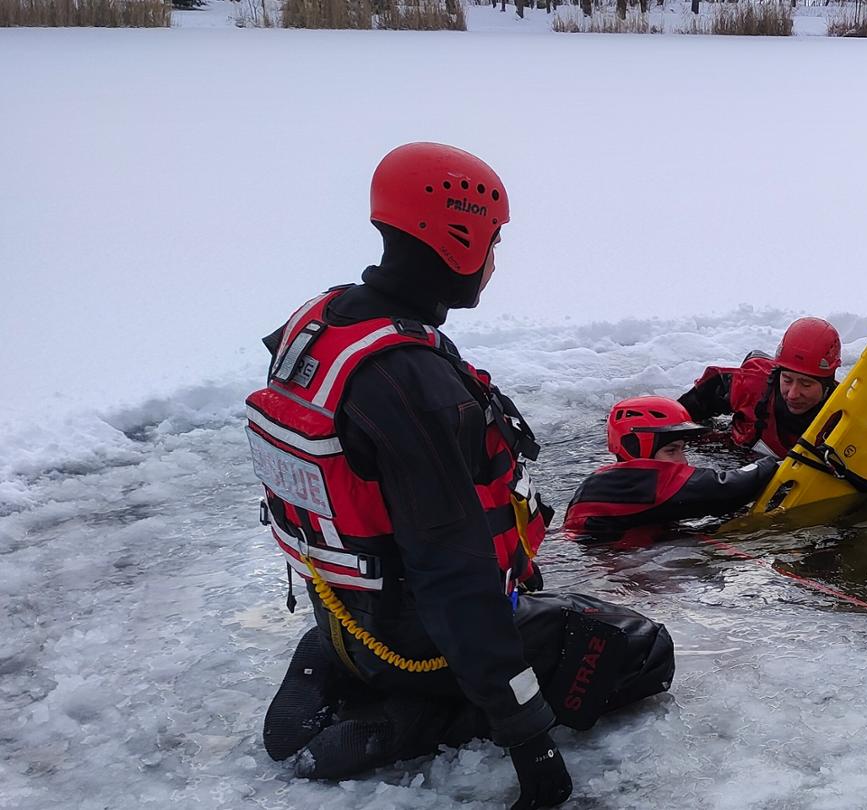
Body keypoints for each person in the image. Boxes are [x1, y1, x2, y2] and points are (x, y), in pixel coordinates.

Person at [249, 143, 673, 809]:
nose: (495, 260)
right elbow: (454, 576)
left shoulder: (327, 321)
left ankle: (344, 670)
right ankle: (420, 715)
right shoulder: (411, 380)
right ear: (457, 235)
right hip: (414, 635)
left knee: (500, 610)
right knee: (640, 648)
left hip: (342, 619)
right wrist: (530, 740)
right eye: (493, 240)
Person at [563, 396, 779, 547]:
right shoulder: (631, 482)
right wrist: (776, 464)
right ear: (636, 448)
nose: (683, 461)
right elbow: (726, 488)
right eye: (671, 450)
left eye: (682, 450)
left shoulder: (611, 484)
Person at [677, 316, 841, 459]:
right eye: (787, 380)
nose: (792, 394)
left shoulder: (844, 412)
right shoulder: (751, 384)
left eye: (806, 384)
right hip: (735, 456)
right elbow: (678, 415)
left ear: (827, 386)